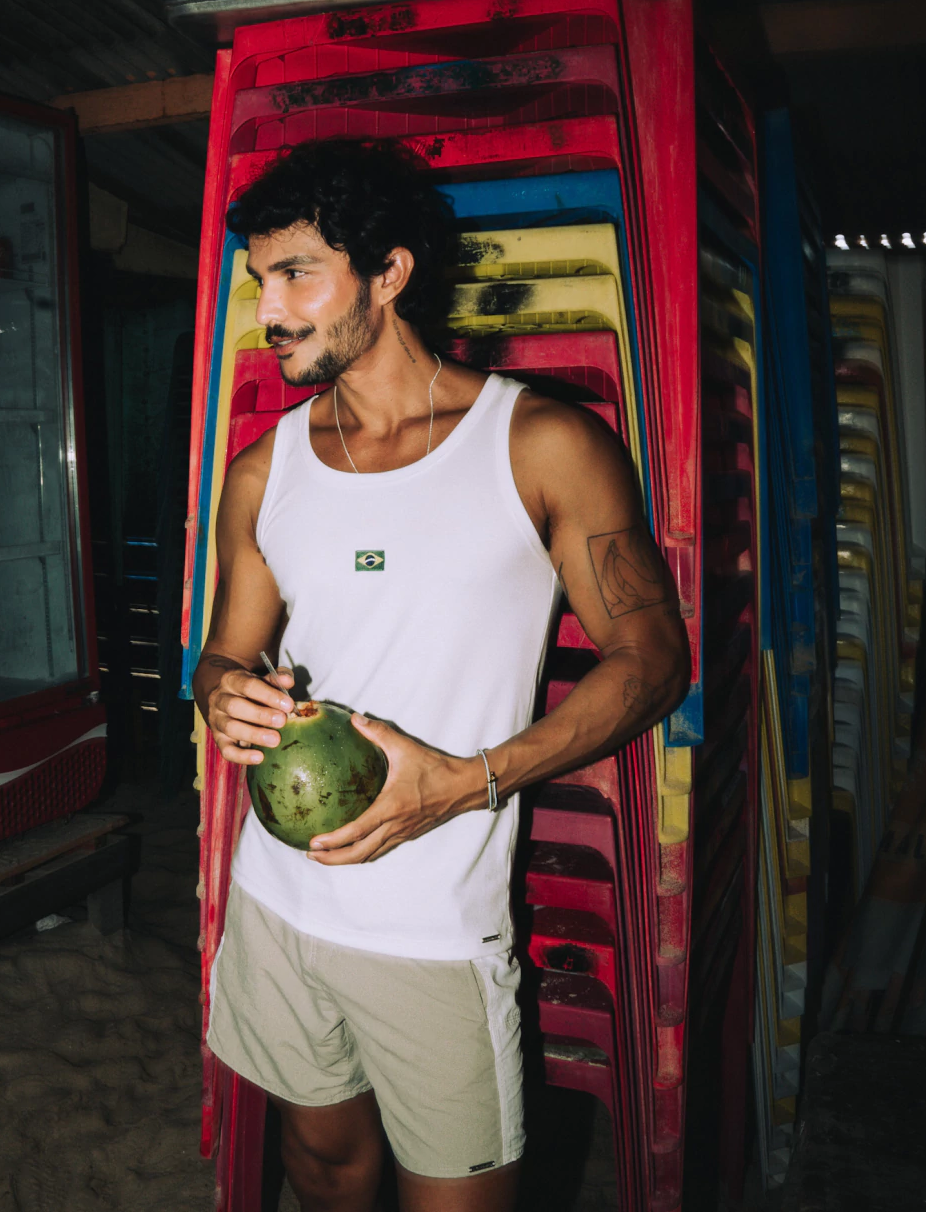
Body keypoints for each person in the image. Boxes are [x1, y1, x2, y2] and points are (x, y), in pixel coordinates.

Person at [194, 138, 689, 1212]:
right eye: (260, 280)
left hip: (434, 928)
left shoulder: (539, 443)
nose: (268, 310)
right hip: (277, 900)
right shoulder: (264, 470)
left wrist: (469, 782)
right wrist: (222, 690)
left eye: (296, 274)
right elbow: (223, 652)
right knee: (320, 1167)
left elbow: (654, 661)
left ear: (390, 273)